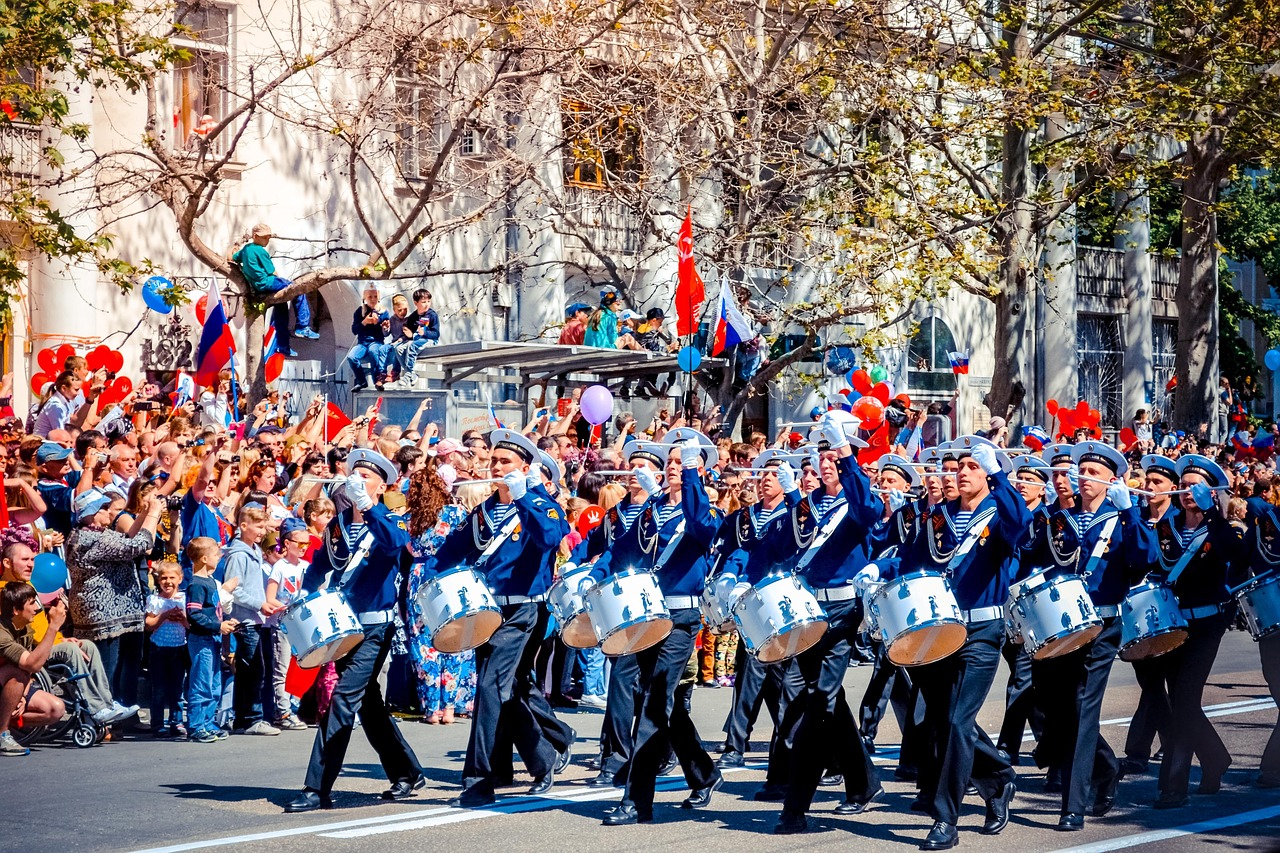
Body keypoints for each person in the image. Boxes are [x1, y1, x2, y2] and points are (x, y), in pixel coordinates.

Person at [894, 436, 1027, 850]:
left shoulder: (999, 513)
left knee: (956, 721)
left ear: (986, 473)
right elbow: (910, 560)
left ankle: (945, 819)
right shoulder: (940, 517)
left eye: (972, 466)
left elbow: (1020, 526)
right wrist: (881, 573)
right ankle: (999, 778)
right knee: (942, 719)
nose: (961, 473)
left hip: (982, 634)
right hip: (938, 631)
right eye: (959, 467)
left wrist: (1001, 475)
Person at [427, 429, 570, 808]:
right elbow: (454, 550)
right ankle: (544, 757)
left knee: (490, 688)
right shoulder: (486, 510)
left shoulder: (542, 504)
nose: (497, 467)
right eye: (494, 461)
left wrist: (524, 495)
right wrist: (430, 573)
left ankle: (478, 779)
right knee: (504, 690)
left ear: (525, 467)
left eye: (505, 462)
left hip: (524, 609)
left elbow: (550, 537)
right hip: (487, 610)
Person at [587, 430, 723, 826]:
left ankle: (636, 800)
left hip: (680, 619)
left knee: (653, 705)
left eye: (683, 463)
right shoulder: (653, 509)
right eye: (673, 463)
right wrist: (592, 574)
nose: (674, 468)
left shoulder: (705, 509)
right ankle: (703, 771)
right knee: (661, 703)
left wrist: (696, 474)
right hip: (646, 613)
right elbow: (622, 550)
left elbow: (701, 527)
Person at [287, 448, 424, 812]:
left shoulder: (391, 519)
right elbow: (320, 564)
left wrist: (371, 506)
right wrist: (305, 591)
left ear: (381, 485)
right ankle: (407, 771)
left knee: (342, 700)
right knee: (368, 705)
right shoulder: (339, 524)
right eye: (355, 474)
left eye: (367, 476)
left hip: (376, 628)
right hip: (342, 624)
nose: (358, 480)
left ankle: (316, 788)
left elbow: (397, 545)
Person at [1033, 441, 1156, 830]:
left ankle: (1074, 804)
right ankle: (1106, 768)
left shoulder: (1120, 518)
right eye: (1080, 472)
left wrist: (1130, 512)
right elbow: (1035, 556)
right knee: (1059, 709)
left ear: (1111, 481)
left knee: (1084, 708)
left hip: (1102, 625)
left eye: (1093, 474)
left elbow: (1145, 559)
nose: (1083, 479)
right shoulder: (1061, 517)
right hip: (1062, 624)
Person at [1147, 454, 1246, 808]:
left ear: (1211, 491)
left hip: (1206, 625)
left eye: (1196, 485)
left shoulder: (1224, 529)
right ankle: (1216, 757)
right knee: (1181, 702)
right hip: (1173, 626)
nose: (1188, 491)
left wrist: (1216, 516)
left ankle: (1173, 787)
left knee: (1186, 700)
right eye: (1184, 484)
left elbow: (1236, 554)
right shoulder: (1165, 526)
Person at [66, 488, 164, 713]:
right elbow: (139, 545)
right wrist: (154, 514)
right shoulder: (89, 538)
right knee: (106, 668)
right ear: (91, 514)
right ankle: (101, 714)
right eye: (104, 508)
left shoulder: (97, 534)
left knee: (127, 665)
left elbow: (128, 537)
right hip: (103, 615)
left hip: (121, 611)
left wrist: (145, 511)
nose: (109, 512)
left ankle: (124, 713)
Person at [404, 460, 473, 724]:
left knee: (424, 643)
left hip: (419, 577)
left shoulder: (409, 520)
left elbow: (409, 550)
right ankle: (451, 708)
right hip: (447, 576)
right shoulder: (455, 514)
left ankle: (431, 708)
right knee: (453, 640)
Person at [219, 504, 283, 736]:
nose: (262, 531)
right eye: (258, 526)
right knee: (252, 671)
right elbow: (234, 590)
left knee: (255, 670)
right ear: (243, 526)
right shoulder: (238, 555)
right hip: (244, 621)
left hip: (255, 618)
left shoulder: (254, 550)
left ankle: (244, 718)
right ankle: (250, 718)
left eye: (264, 526)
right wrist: (260, 604)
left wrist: (267, 602)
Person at [0, 585, 69, 756]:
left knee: (55, 709)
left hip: (9, 686)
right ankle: (2, 734)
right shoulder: (1, 632)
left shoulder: (25, 629)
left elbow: (30, 671)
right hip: (6, 680)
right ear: (16, 610)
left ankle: (6, 720)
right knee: (17, 672)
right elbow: (32, 664)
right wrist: (53, 627)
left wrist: (22, 696)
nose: (37, 608)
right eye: (31, 604)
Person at [231, 222, 318, 356]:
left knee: (281, 309)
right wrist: (284, 284)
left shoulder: (245, 250)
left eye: (268, 237)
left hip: (257, 287)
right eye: (265, 237)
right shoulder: (260, 251)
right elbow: (272, 272)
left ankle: (283, 345)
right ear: (255, 236)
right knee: (298, 290)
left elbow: (232, 258)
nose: (267, 240)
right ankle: (302, 326)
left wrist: (234, 247)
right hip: (268, 282)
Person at [185, 537, 238, 743]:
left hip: (213, 640)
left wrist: (225, 623)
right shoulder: (197, 584)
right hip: (201, 642)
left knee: (214, 684)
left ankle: (208, 722)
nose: (219, 558)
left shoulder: (210, 582)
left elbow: (214, 611)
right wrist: (218, 626)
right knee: (201, 684)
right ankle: (196, 725)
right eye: (216, 555)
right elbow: (194, 615)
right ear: (205, 558)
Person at [264, 517, 310, 731]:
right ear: (287, 542)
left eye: (306, 543)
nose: (303, 547)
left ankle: (293, 707)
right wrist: (286, 608)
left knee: (298, 669)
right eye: (299, 543)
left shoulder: (306, 566)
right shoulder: (279, 567)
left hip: (300, 626)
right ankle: (283, 712)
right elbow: (270, 597)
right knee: (281, 669)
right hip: (282, 625)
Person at [145, 562, 189, 736]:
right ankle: (157, 723)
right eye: (164, 578)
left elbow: (189, 625)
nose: (168, 582)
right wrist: (164, 616)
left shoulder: (184, 599)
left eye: (172, 578)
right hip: (159, 648)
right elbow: (148, 625)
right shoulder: (155, 600)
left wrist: (181, 618)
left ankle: (176, 721)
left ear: (180, 579)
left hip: (179, 647)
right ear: (158, 580)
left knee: (177, 687)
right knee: (159, 688)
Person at [346, 285, 390, 392]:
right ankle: (361, 381)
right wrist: (364, 322)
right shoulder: (360, 311)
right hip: (362, 343)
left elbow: (386, 334)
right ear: (364, 297)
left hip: (376, 342)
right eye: (370, 297)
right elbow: (354, 330)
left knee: (373, 351)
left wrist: (385, 327)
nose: (373, 299)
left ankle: (377, 381)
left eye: (375, 296)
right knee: (351, 357)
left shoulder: (383, 312)